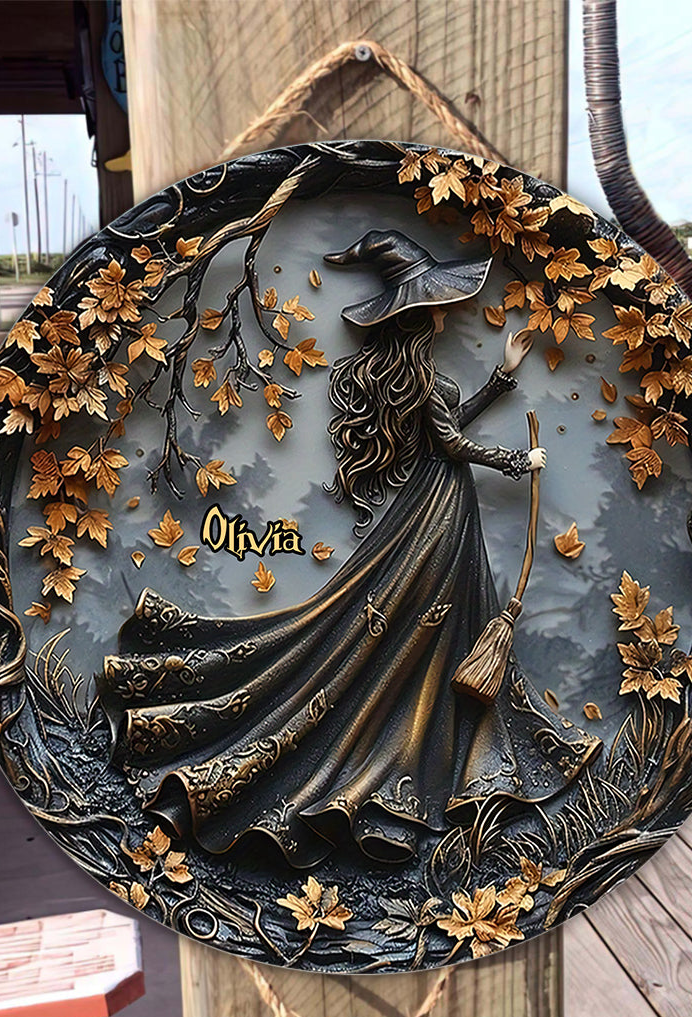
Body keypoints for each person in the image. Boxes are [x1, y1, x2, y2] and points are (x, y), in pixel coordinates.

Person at [97, 230, 600, 868]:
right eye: (439, 302)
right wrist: (515, 460)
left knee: (423, 630)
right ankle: (394, 774)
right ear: (418, 312)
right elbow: (450, 444)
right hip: (437, 513)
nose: (449, 312)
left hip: (438, 507)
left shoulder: (417, 376)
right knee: (409, 631)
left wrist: (501, 378)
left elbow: (445, 426)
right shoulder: (420, 376)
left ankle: (421, 763)